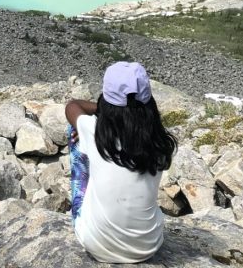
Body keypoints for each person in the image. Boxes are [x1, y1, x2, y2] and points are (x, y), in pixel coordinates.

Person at [65, 61, 177, 263]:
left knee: (74, 132)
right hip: (149, 246)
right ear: (149, 105)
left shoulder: (94, 131)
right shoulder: (160, 142)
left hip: (97, 244)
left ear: (107, 103)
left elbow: (72, 106)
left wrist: (101, 110)